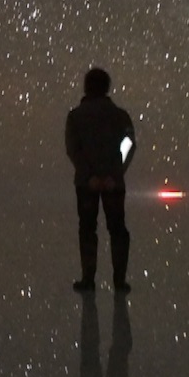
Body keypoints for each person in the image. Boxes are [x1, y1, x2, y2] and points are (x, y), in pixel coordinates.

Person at [65, 68, 136, 293]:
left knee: (87, 229)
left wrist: (90, 176)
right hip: (114, 183)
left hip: (86, 185)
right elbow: (130, 143)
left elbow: (73, 150)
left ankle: (88, 280)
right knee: (118, 230)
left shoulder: (75, 116)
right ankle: (119, 281)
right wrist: (116, 173)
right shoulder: (120, 115)